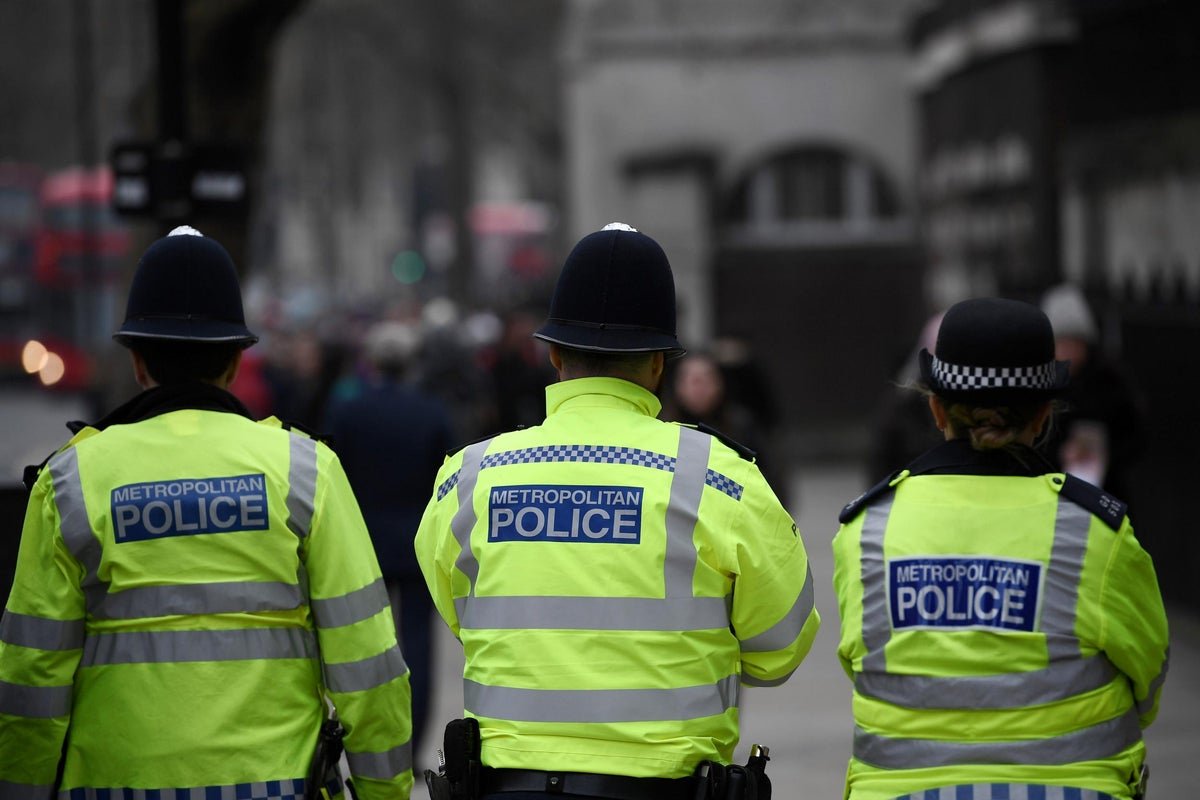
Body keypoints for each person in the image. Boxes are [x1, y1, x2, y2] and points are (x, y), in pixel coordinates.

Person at [0, 227, 413, 799]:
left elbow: (30, 677)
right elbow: (367, 663)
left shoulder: (71, 481)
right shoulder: (304, 471)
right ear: (236, 361)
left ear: (137, 361)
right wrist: (384, 792)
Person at [415, 223, 820, 800]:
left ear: (554, 354)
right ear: (659, 363)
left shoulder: (470, 476)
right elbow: (780, 648)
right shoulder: (720, 478)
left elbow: (464, 616)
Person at [833, 297, 1169, 800]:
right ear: (1043, 416)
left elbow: (863, 665)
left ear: (936, 408)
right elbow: (1149, 676)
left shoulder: (867, 529)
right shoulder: (1096, 532)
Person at [323, 319, 455, 767]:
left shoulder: (349, 411)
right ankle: (413, 747)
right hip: (415, 541)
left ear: (373, 362)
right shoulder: (431, 411)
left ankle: (376, 746)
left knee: (368, 645)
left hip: (364, 542)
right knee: (419, 647)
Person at [1038, 284, 1145, 500]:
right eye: (1060, 343)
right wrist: (1060, 453)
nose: (1067, 351)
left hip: (1106, 492)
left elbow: (1134, 435)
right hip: (1053, 492)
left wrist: (1104, 454)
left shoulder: (1110, 383)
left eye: (1073, 342)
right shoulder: (1041, 387)